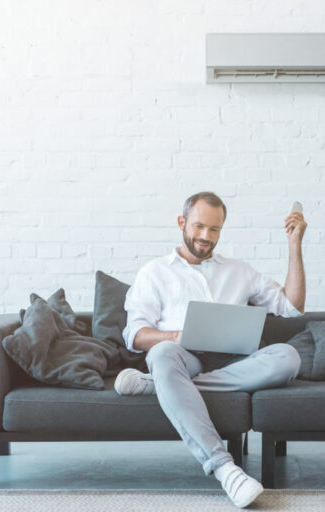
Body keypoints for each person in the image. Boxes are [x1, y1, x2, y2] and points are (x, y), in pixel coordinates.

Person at [115, 191, 306, 508]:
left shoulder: (239, 270)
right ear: (182, 222)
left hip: (234, 360)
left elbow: (293, 307)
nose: (206, 236)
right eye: (199, 226)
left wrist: (294, 244)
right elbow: (134, 334)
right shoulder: (155, 272)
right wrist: (173, 336)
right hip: (180, 357)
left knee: (288, 357)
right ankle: (225, 469)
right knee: (161, 354)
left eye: (214, 229)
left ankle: (164, 386)